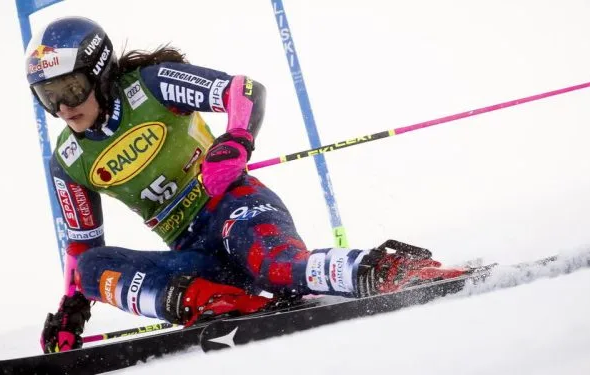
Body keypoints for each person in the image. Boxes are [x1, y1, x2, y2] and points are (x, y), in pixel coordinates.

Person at [26, 16, 466, 354]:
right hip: (194, 253)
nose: (63, 107)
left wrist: (236, 139)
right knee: (90, 271)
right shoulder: (68, 161)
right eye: (48, 96)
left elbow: (244, 89)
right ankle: (221, 304)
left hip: (235, 208)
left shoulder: (150, 86)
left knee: (279, 269)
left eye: (71, 88)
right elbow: (82, 247)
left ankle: (388, 271)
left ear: (99, 73)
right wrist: (73, 309)